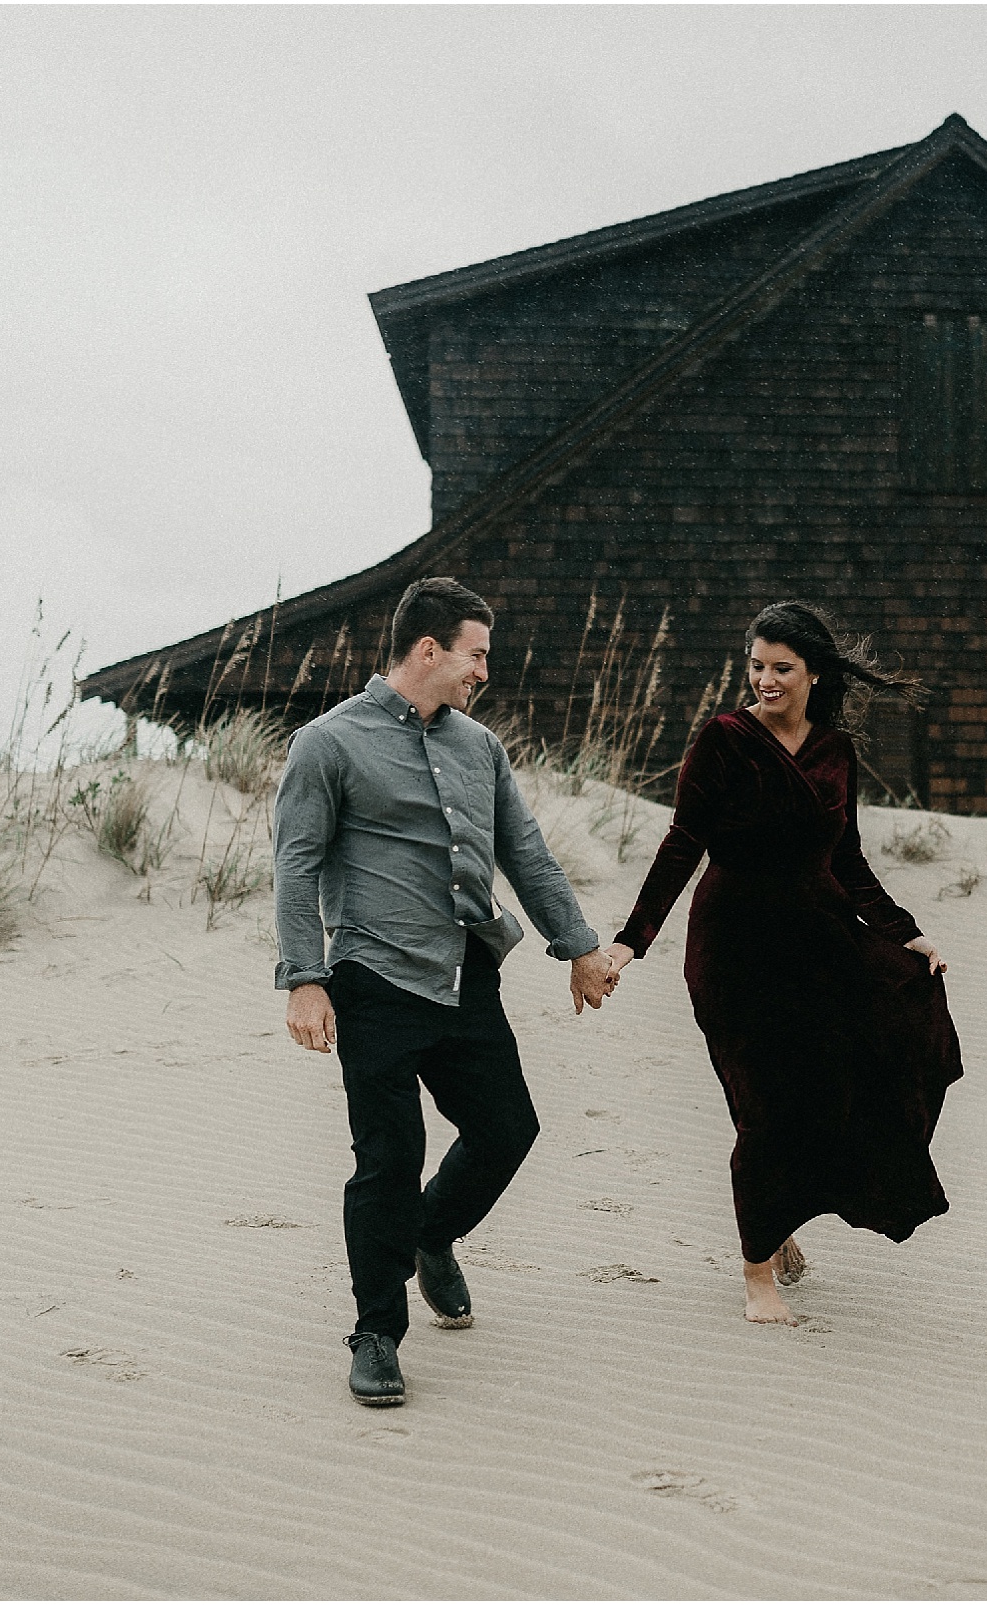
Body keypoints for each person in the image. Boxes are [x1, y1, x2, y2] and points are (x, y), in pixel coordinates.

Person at [274, 576, 621, 1406]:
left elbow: (526, 853)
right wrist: (304, 980)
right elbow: (295, 866)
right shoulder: (327, 744)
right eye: (477, 655)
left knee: (508, 1127)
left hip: (467, 973)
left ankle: (432, 1235)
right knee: (389, 1157)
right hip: (374, 978)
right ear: (428, 648)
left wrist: (577, 945)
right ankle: (376, 1334)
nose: (483, 673)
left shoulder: (479, 747)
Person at [603, 601, 963, 1324]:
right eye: (755, 667)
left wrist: (905, 930)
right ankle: (757, 1276)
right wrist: (629, 941)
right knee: (761, 1107)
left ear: (813, 673)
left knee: (823, 1090)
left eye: (780, 668)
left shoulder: (835, 752)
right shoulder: (725, 739)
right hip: (732, 948)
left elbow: (847, 857)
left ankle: (779, 1218)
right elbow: (682, 844)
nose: (765, 680)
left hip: (816, 945)